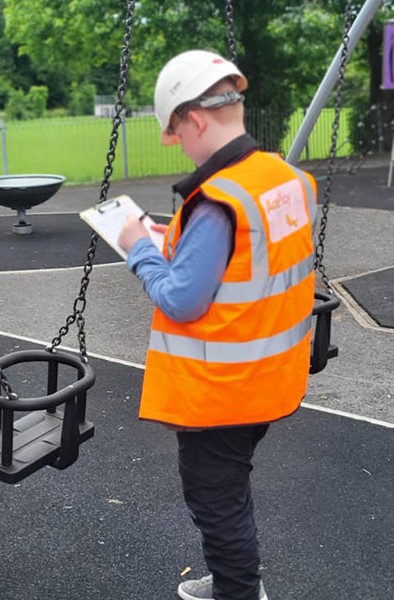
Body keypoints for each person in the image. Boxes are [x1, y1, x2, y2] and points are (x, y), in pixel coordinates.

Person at [118, 50, 318, 600]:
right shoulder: (286, 180)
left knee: (215, 501)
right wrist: (177, 248)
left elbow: (181, 300)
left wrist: (140, 249)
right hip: (271, 377)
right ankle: (236, 579)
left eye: (176, 134)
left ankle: (237, 589)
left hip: (220, 394)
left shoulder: (217, 204)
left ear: (196, 120)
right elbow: (251, 264)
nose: (179, 145)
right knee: (229, 490)